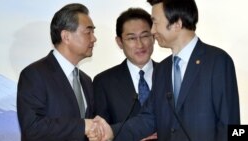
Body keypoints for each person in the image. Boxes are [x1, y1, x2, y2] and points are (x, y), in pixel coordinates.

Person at [88, 0, 240, 141]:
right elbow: (149, 118)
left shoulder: (217, 61)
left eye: (155, 22)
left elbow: (230, 124)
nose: (152, 30)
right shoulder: (162, 69)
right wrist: (111, 131)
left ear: (177, 23)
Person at [17, 3, 97, 141]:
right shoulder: (34, 74)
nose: (94, 38)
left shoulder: (86, 80)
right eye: (88, 32)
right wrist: (82, 126)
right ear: (66, 36)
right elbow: (32, 128)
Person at [92, 8, 157, 140]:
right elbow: (101, 133)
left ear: (154, 37)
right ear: (119, 42)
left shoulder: (169, 73)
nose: (140, 44)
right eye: (131, 38)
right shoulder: (103, 82)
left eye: (145, 36)